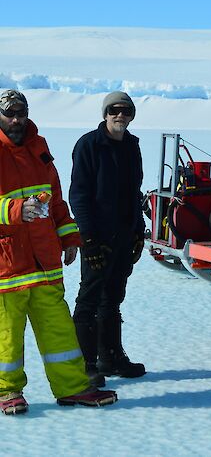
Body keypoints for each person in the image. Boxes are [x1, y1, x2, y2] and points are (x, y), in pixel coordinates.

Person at [0, 89, 117, 415]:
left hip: (45, 263)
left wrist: (69, 238)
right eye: (10, 113)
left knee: (60, 333)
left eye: (21, 112)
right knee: (6, 338)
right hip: (7, 267)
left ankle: (73, 388)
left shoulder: (38, 148)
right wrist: (13, 210)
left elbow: (54, 202)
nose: (16, 119)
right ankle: (6, 392)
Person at [69, 91, 146, 387]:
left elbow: (133, 193)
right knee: (88, 299)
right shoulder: (89, 145)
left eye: (126, 111)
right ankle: (84, 365)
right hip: (97, 237)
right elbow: (79, 196)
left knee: (113, 298)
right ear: (105, 113)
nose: (120, 116)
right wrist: (87, 240)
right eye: (114, 110)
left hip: (124, 236)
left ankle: (110, 358)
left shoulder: (131, 146)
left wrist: (139, 230)